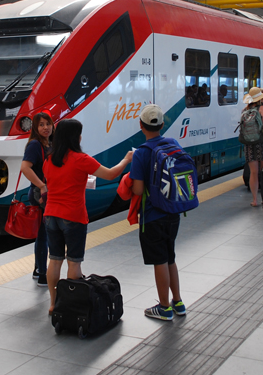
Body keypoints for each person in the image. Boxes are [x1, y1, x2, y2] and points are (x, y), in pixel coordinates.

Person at [43, 119, 132, 314]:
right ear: (75, 137)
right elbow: (110, 175)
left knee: (55, 260)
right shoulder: (80, 159)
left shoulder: (49, 160)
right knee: (74, 262)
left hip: (50, 215)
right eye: (79, 133)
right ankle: (71, 305)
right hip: (72, 216)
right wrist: (126, 160)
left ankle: (53, 303)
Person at [130, 104, 187, 321]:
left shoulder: (142, 153)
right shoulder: (173, 143)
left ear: (140, 126)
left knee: (160, 260)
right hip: (173, 212)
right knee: (170, 256)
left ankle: (164, 307)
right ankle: (178, 302)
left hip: (153, 215)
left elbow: (136, 189)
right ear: (163, 125)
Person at [20, 112, 53, 286]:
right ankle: (42, 274)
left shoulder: (49, 143)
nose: (45, 128)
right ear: (35, 127)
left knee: (42, 233)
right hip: (39, 194)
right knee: (43, 234)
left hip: (45, 193)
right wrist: (42, 186)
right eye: (41, 125)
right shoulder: (35, 145)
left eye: (48, 124)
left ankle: (37, 269)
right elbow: (25, 168)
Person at [242, 87, 263, 207]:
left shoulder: (246, 109)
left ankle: (254, 200)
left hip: (249, 144)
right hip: (261, 143)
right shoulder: (262, 108)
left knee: (253, 172)